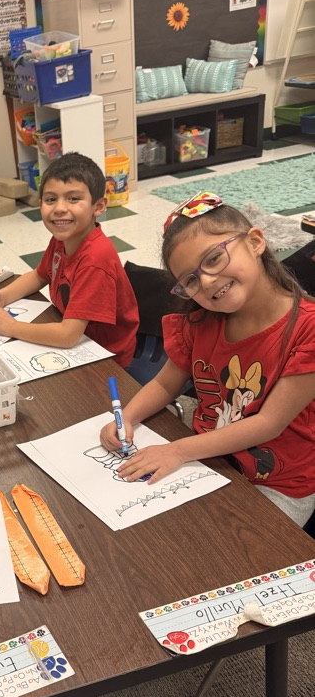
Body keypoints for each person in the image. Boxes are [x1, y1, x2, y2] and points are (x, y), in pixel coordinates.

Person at [99, 191, 315, 527]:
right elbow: (165, 382)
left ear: (255, 242)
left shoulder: (308, 330)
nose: (208, 282)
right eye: (190, 280)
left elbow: (268, 423)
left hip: (278, 484)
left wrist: (177, 451)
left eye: (213, 259)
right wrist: (127, 416)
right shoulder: (201, 321)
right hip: (208, 460)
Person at [0, 152, 139, 368]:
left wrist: (11, 327)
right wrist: (3, 298)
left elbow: (68, 336)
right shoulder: (63, 239)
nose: (60, 208)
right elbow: (38, 276)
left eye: (74, 198)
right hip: (78, 338)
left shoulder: (95, 259)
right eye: (51, 199)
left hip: (105, 356)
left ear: (99, 207)